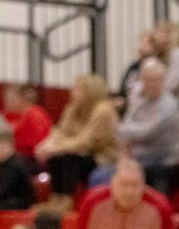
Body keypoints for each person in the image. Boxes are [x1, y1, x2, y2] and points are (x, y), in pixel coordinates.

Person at [34, 75, 119, 213]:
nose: (73, 92)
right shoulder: (72, 107)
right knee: (55, 157)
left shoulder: (103, 110)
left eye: (78, 89)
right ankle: (56, 198)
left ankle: (67, 200)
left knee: (68, 158)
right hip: (78, 153)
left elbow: (88, 142)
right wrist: (45, 146)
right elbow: (60, 131)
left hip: (101, 156)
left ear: (90, 91)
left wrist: (56, 148)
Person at [117, 58, 179, 196]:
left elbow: (145, 132)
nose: (152, 84)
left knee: (143, 172)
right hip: (139, 156)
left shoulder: (169, 106)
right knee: (104, 173)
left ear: (164, 80)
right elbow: (128, 122)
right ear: (141, 79)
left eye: (157, 79)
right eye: (148, 79)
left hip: (165, 160)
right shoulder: (137, 96)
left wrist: (119, 129)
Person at [2, 86, 51, 170]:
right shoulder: (9, 114)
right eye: (6, 99)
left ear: (22, 99)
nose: (7, 103)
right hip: (18, 156)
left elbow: (36, 143)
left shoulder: (35, 115)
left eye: (11, 99)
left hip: (31, 159)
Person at [0, 126, 34, 210]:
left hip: (17, 203)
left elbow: (3, 189)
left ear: (12, 147)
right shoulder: (5, 163)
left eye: (3, 147)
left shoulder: (14, 165)